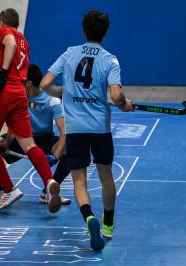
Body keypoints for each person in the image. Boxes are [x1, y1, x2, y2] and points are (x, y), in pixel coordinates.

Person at [40, 10, 134, 251]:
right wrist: (124, 104)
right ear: (105, 33)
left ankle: (89, 217)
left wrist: (64, 94)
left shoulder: (70, 53)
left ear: (84, 31)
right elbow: (116, 95)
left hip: (75, 128)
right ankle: (108, 223)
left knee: (79, 180)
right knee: (106, 176)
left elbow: (44, 84)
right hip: (99, 127)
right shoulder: (110, 59)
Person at [0, 8, 62, 213]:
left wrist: (3, 73)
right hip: (19, 93)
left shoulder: (6, 33)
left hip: (1, 93)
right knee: (29, 144)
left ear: (2, 24)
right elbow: (17, 49)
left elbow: (10, 44)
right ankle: (49, 181)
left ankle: (8, 189)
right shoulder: (26, 41)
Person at [0, 64, 71, 205]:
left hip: (44, 139)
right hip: (20, 137)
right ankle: (0, 189)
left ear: (28, 83)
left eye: (20, 80)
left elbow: (64, 130)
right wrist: (7, 141)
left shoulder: (52, 100)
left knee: (69, 150)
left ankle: (49, 192)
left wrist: (55, 156)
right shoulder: (17, 97)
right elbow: (12, 123)